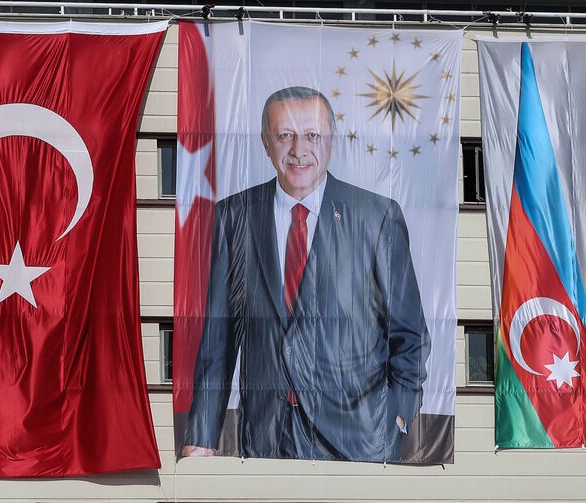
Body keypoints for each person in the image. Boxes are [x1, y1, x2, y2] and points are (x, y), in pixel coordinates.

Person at [181, 86, 429, 462]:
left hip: (359, 442)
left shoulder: (376, 217)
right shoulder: (235, 217)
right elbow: (219, 339)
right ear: (266, 142)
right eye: (285, 136)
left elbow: (409, 335)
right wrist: (202, 435)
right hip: (267, 440)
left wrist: (393, 417)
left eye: (312, 135)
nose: (299, 150)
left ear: (331, 140)